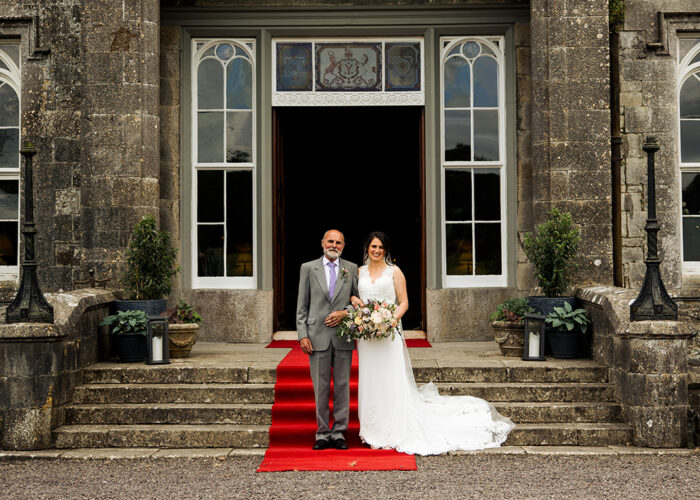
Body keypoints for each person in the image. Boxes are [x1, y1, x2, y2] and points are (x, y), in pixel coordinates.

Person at [352, 231, 514, 455]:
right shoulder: (358, 272)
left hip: (388, 334)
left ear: (386, 250)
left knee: (390, 378)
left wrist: (389, 321)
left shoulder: (394, 272)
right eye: (373, 247)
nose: (377, 251)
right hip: (367, 337)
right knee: (370, 379)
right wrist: (359, 307)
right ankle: (372, 429)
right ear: (366, 248)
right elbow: (354, 297)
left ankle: (392, 427)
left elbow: (404, 302)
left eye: (381, 247)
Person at [297, 229, 359, 451]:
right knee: (320, 387)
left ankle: (339, 432)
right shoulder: (308, 268)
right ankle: (322, 432)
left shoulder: (351, 269)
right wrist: (302, 335)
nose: (334, 245)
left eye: (339, 242)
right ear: (323, 242)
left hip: (343, 335)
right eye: (330, 241)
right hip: (316, 336)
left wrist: (346, 312)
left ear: (344, 245)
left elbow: (359, 300)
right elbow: (302, 306)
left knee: (342, 386)